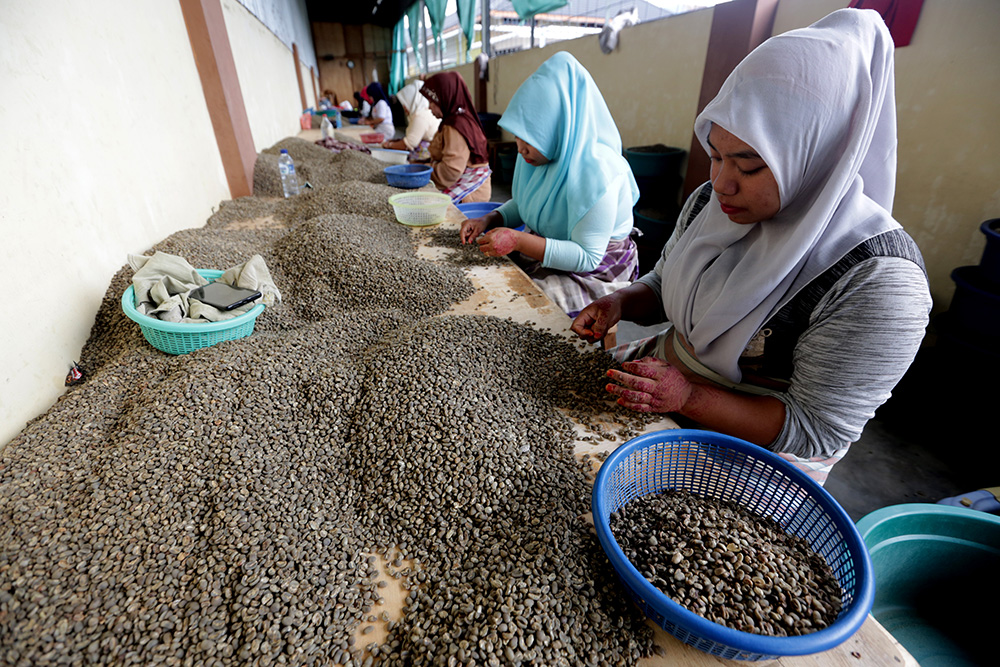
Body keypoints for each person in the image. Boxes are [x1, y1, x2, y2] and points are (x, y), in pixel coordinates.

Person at [570, 9, 932, 483]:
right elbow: (666, 282)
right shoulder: (708, 203)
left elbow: (815, 428)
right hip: (665, 381)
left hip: (756, 449)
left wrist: (690, 399)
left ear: (820, 155)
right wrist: (620, 301)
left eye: (749, 166)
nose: (721, 183)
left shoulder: (878, 280)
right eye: (715, 155)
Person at [460, 52, 640, 318]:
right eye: (518, 136)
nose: (520, 148)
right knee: (487, 281)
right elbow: (524, 205)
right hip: (550, 246)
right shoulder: (534, 155)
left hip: (597, 269)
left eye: (531, 137)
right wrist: (489, 219)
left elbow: (587, 256)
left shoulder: (599, 173)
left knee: (517, 302)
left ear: (560, 128)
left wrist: (519, 240)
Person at [419, 72, 492, 203]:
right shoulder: (462, 117)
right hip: (472, 188)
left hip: (469, 195)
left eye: (432, 101)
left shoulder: (455, 126)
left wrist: (421, 172)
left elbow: (451, 171)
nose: (429, 107)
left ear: (445, 97)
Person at [382, 80, 440, 158]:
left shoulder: (420, 116)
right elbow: (413, 134)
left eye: (405, 103)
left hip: (429, 155)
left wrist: (389, 145)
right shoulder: (420, 112)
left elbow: (410, 142)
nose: (404, 108)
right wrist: (396, 141)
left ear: (412, 101)